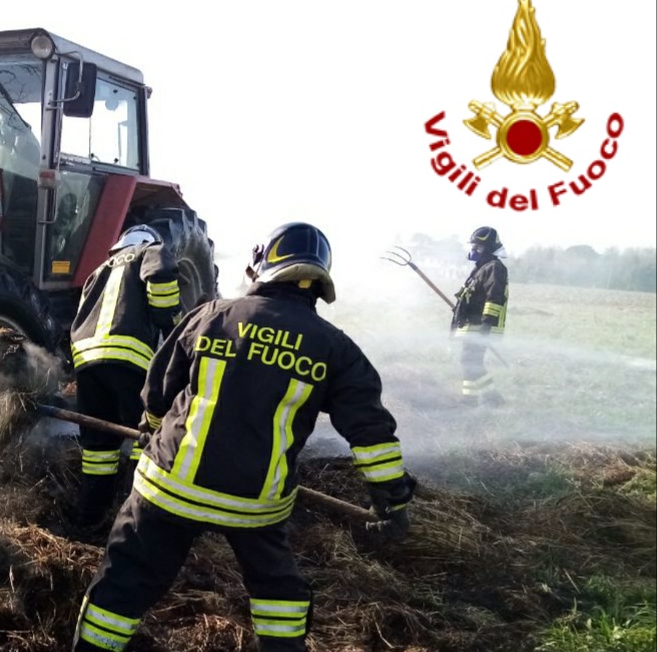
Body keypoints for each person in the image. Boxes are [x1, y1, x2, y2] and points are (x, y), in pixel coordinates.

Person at [71, 222, 416, 652]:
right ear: (319, 280)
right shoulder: (335, 349)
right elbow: (371, 434)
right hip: (255, 504)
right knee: (279, 597)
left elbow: (158, 393)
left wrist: (153, 432)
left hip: (168, 488)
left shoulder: (211, 314)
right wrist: (392, 499)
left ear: (261, 266)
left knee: (121, 587)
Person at [68, 224, 183, 530]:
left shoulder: (98, 270)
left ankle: (89, 519)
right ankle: (132, 516)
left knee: (97, 447)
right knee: (141, 434)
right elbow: (161, 283)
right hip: (129, 359)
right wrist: (175, 327)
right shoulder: (151, 252)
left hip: (87, 362)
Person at [450, 226, 508, 407]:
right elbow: (472, 295)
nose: (474, 250)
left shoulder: (494, 268)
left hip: (481, 325)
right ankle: (473, 398)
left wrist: (486, 325)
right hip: (472, 323)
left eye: (479, 247)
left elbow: (494, 298)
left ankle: (489, 399)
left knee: (470, 361)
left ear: (489, 247)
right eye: (473, 246)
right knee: (469, 362)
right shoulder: (482, 267)